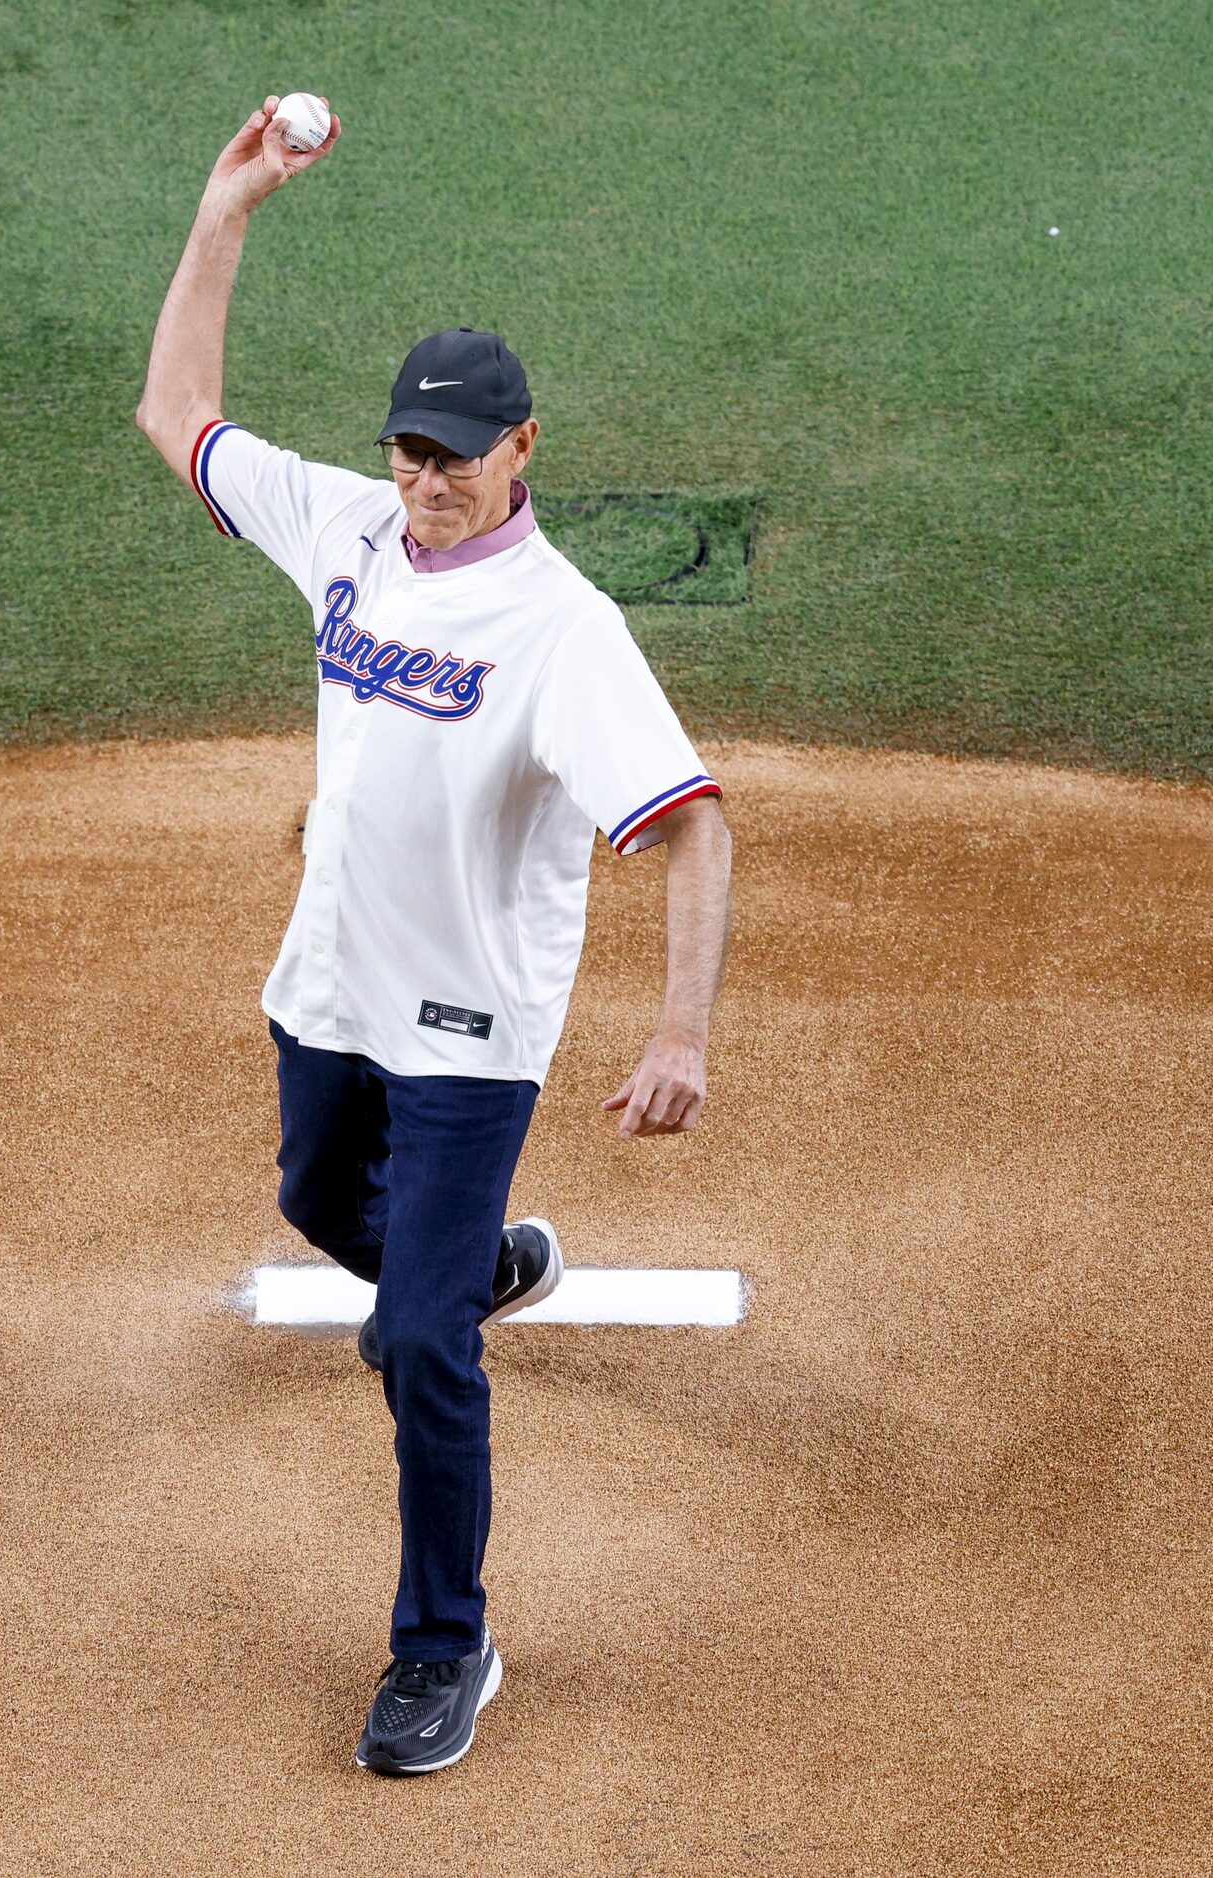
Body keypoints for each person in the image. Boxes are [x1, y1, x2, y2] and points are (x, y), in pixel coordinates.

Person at [133, 96, 733, 1777]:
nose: (425, 481)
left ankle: (444, 1645)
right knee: (321, 1201)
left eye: (456, 455)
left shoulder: (568, 631)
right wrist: (225, 206)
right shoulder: (345, 529)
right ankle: (471, 1265)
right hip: (330, 983)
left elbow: (691, 830)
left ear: (525, 447)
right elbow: (174, 409)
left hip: (472, 1024)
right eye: (407, 448)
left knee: (412, 1339)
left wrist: (678, 1033)